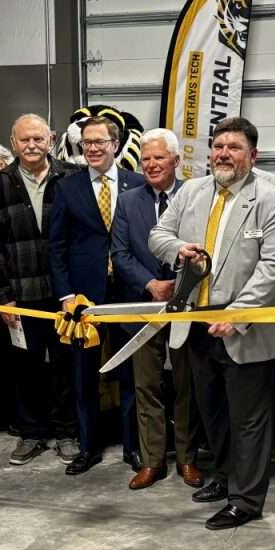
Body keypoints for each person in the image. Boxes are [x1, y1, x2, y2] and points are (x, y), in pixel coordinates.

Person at [149, 117, 275, 529]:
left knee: (248, 418)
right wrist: (180, 249)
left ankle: (246, 501)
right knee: (212, 411)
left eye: (233, 147)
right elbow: (157, 235)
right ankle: (224, 476)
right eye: (218, 146)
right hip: (196, 324)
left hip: (245, 327)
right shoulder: (192, 192)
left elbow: (273, 267)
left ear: (252, 155)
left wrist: (238, 314)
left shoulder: (273, 198)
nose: (223, 154)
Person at [49, 115, 144, 475]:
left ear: (115, 145)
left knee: (131, 372)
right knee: (84, 374)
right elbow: (56, 247)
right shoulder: (67, 188)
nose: (92, 148)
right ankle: (88, 447)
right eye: (87, 143)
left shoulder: (136, 184)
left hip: (128, 293)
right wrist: (65, 296)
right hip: (83, 300)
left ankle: (132, 446)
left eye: (99, 142)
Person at [111, 128, 203, 489]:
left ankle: (187, 459)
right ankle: (152, 462)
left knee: (185, 386)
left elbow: (202, 248)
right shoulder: (128, 201)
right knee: (146, 386)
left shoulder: (194, 197)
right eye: (146, 158)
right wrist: (151, 285)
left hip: (184, 308)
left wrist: (178, 288)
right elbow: (120, 254)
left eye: (159, 158)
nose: (150, 164)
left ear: (176, 161)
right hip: (143, 306)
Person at [0, 113, 77, 465]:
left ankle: (66, 431)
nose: (32, 145)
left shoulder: (69, 177)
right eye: (25, 139)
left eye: (38, 138)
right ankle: (31, 434)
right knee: (25, 368)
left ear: (50, 139)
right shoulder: (1, 183)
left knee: (65, 367)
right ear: (14, 143)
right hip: (20, 296)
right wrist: (3, 297)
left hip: (63, 296)